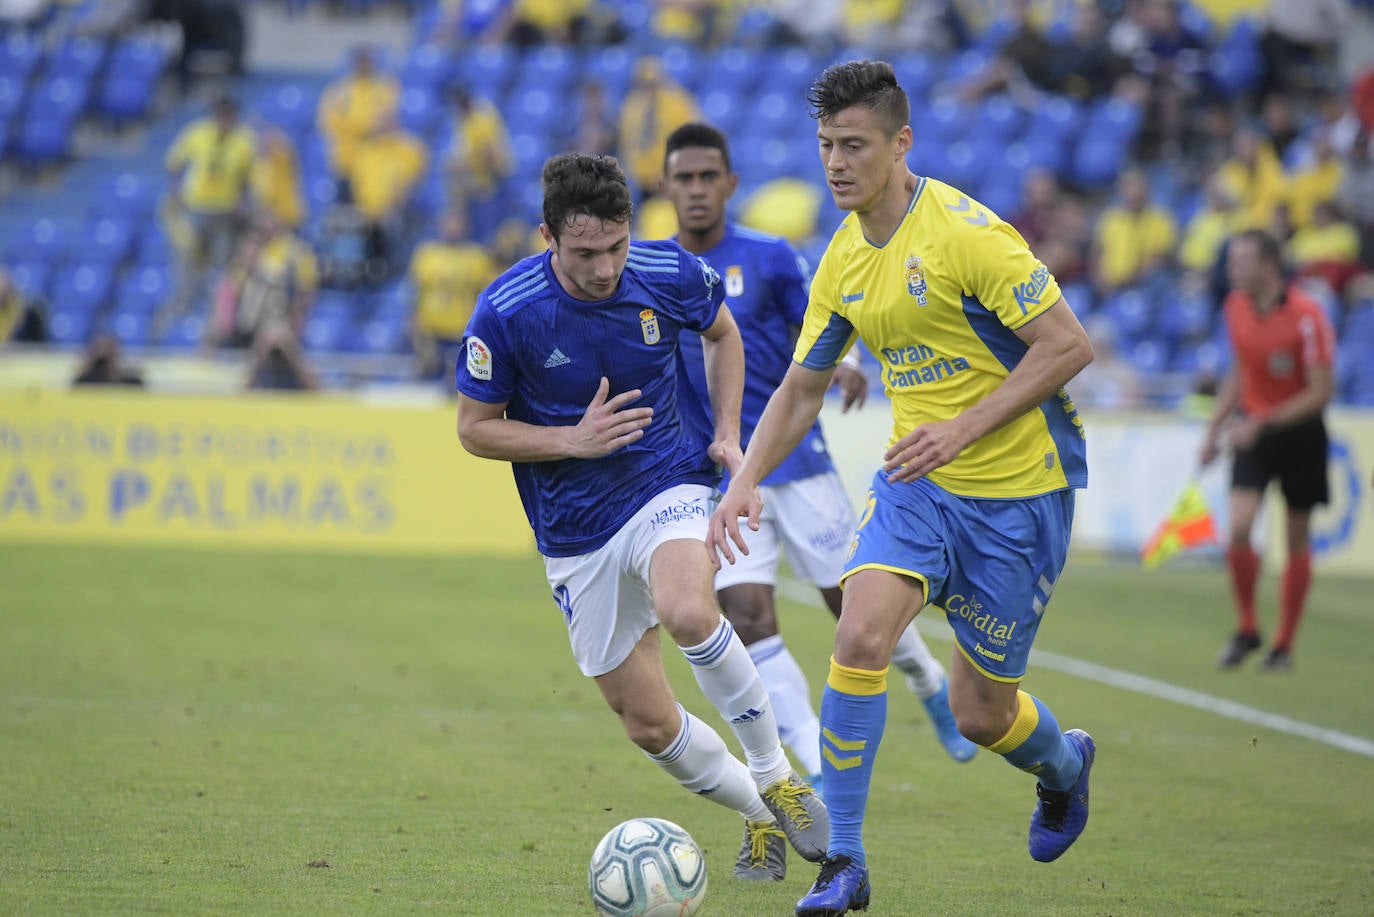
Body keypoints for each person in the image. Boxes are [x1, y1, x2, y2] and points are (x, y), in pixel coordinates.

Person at [705, 61, 1097, 915]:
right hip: (917, 488)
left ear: (900, 143)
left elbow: (1067, 345)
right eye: (825, 146)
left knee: (982, 711)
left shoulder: (969, 235)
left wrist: (961, 428)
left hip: (1019, 494)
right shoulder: (843, 256)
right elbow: (803, 386)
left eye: (854, 146)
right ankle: (843, 862)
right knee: (861, 635)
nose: (836, 163)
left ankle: (1064, 766)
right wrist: (743, 480)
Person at [454, 152, 829, 882]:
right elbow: (474, 427)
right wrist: (570, 439)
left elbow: (723, 333)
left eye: (617, 247)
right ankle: (758, 810)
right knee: (649, 723)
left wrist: (727, 431)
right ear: (548, 237)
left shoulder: (671, 272)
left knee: (689, 609)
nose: (604, 268)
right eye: (586, 252)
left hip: (668, 481)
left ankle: (777, 774)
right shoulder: (507, 310)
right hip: (573, 531)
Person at [660, 121, 978, 784]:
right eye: (683, 178)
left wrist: (847, 363)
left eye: (706, 177)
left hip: (798, 466)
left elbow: (831, 315)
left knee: (855, 609)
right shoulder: (658, 270)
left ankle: (927, 681)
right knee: (748, 617)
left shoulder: (771, 256)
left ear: (729, 184)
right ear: (666, 185)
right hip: (721, 476)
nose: (695, 190)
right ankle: (817, 763)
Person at [1200, 229, 1335, 672]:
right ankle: (1248, 628)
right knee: (1238, 527)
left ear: (1269, 266)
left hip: (1299, 433)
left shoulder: (1307, 315)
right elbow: (1241, 369)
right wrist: (1214, 429)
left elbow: (1320, 392)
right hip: (1252, 431)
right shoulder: (1235, 306)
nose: (1231, 267)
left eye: (1241, 260)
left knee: (1295, 536)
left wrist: (1261, 423)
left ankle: (1283, 645)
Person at [161, 94, 255, 329]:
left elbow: (246, 178)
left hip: (224, 212)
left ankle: (216, 317)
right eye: (220, 114)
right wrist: (176, 194)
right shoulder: (197, 133)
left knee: (222, 265)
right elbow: (174, 164)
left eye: (228, 115)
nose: (224, 120)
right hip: (196, 208)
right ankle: (183, 311)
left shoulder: (243, 140)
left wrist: (241, 202)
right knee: (189, 261)